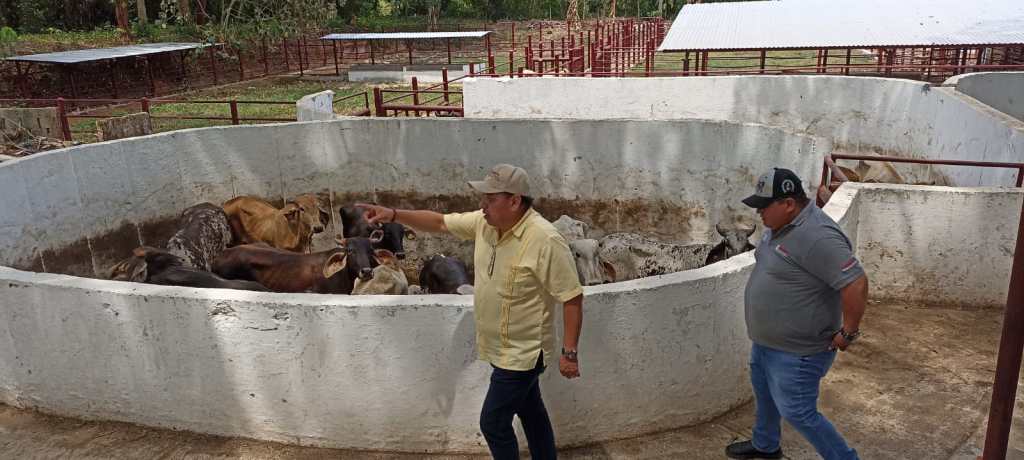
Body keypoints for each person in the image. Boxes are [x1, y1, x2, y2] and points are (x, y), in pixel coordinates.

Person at [357, 163, 584, 460]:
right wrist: (394, 215)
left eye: (490, 199)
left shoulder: (545, 240)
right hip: (500, 347)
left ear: (514, 201)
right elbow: (439, 222)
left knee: (492, 423)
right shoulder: (485, 223)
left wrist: (569, 353)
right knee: (531, 410)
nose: (482, 206)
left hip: (522, 353)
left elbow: (572, 297)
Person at [725, 168, 868, 460]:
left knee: (799, 412)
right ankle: (766, 446)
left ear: (789, 204)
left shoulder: (817, 236)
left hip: (798, 351)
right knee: (765, 397)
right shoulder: (779, 227)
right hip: (767, 343)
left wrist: (848, 332)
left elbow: (855, 282)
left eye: (765, 206)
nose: (760, 212)